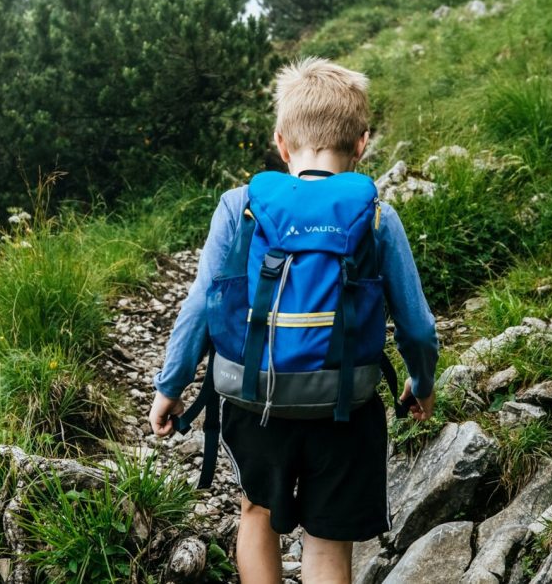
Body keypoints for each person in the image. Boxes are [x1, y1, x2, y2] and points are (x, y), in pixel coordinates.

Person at [147, 57, 439, 584]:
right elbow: (417, 327)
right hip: (344, 409)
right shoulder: (377, 215)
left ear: (281, 143)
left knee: (256, 513)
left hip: (253, 400)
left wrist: (170, 386)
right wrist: (420, 382)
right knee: (327, 541)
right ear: (363, 143)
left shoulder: (240, 207)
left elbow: (199, 307)